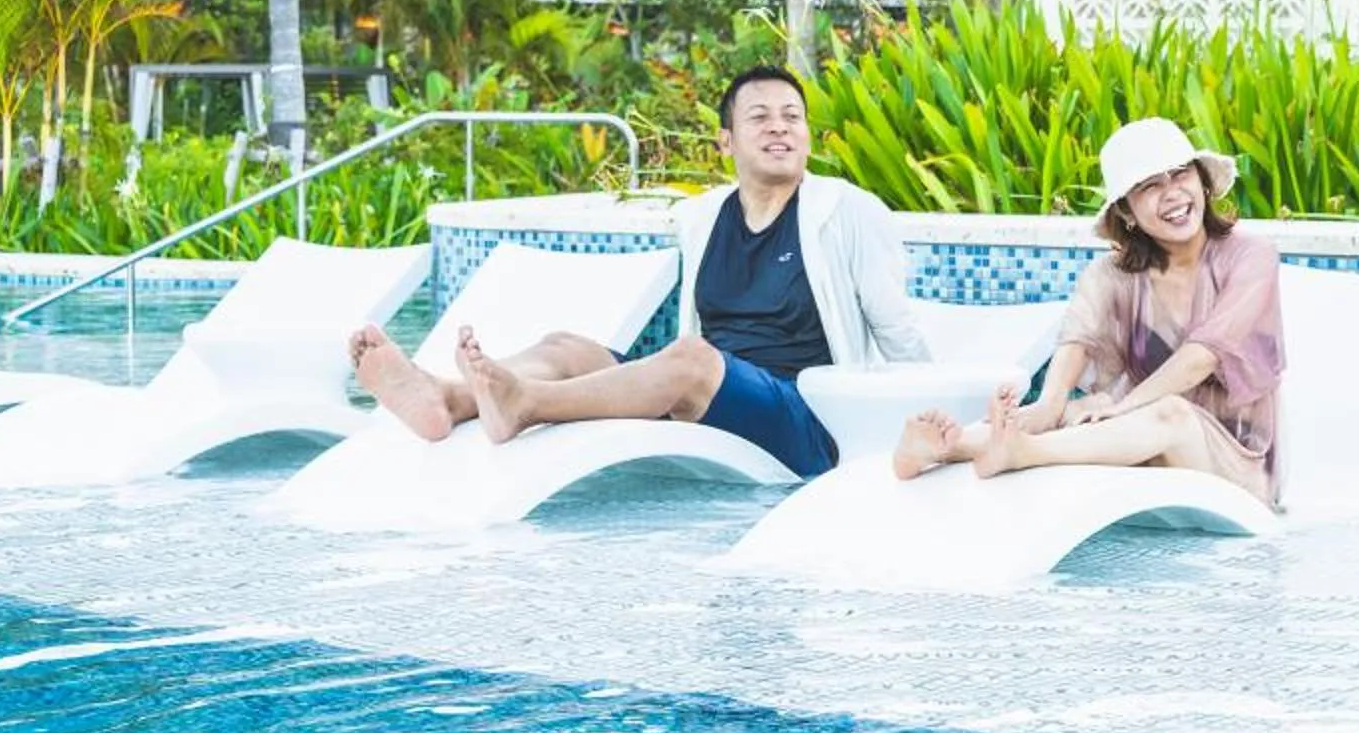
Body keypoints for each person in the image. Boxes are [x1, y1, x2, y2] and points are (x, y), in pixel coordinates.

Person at [344, 64, 928, 475]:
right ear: (726, 141)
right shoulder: (702, 217)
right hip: (712, 400)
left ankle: (525, 404)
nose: (780, 127)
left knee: (691, 360)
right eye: (760, 117)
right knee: (568, 345)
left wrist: (934, 431)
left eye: (792, 116)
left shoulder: (847, 211)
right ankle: (449, 399)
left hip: (805, 417)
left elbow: (897, 331)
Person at [891, 116, 1282, 503]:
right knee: (1077, 410)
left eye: (1180, 174)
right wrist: (1051, 403)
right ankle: (943, 446)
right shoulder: (1112, 274)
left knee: (1168, 414)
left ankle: (1022, 453)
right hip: (1147, 445)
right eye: (1149, 185)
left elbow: (1203, 357)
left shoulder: (1251, 256)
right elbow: (1077, 338)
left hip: (1238, 470)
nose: (1172, 193)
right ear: (1126, 212)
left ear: (1203, 182)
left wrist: (1124, 408)